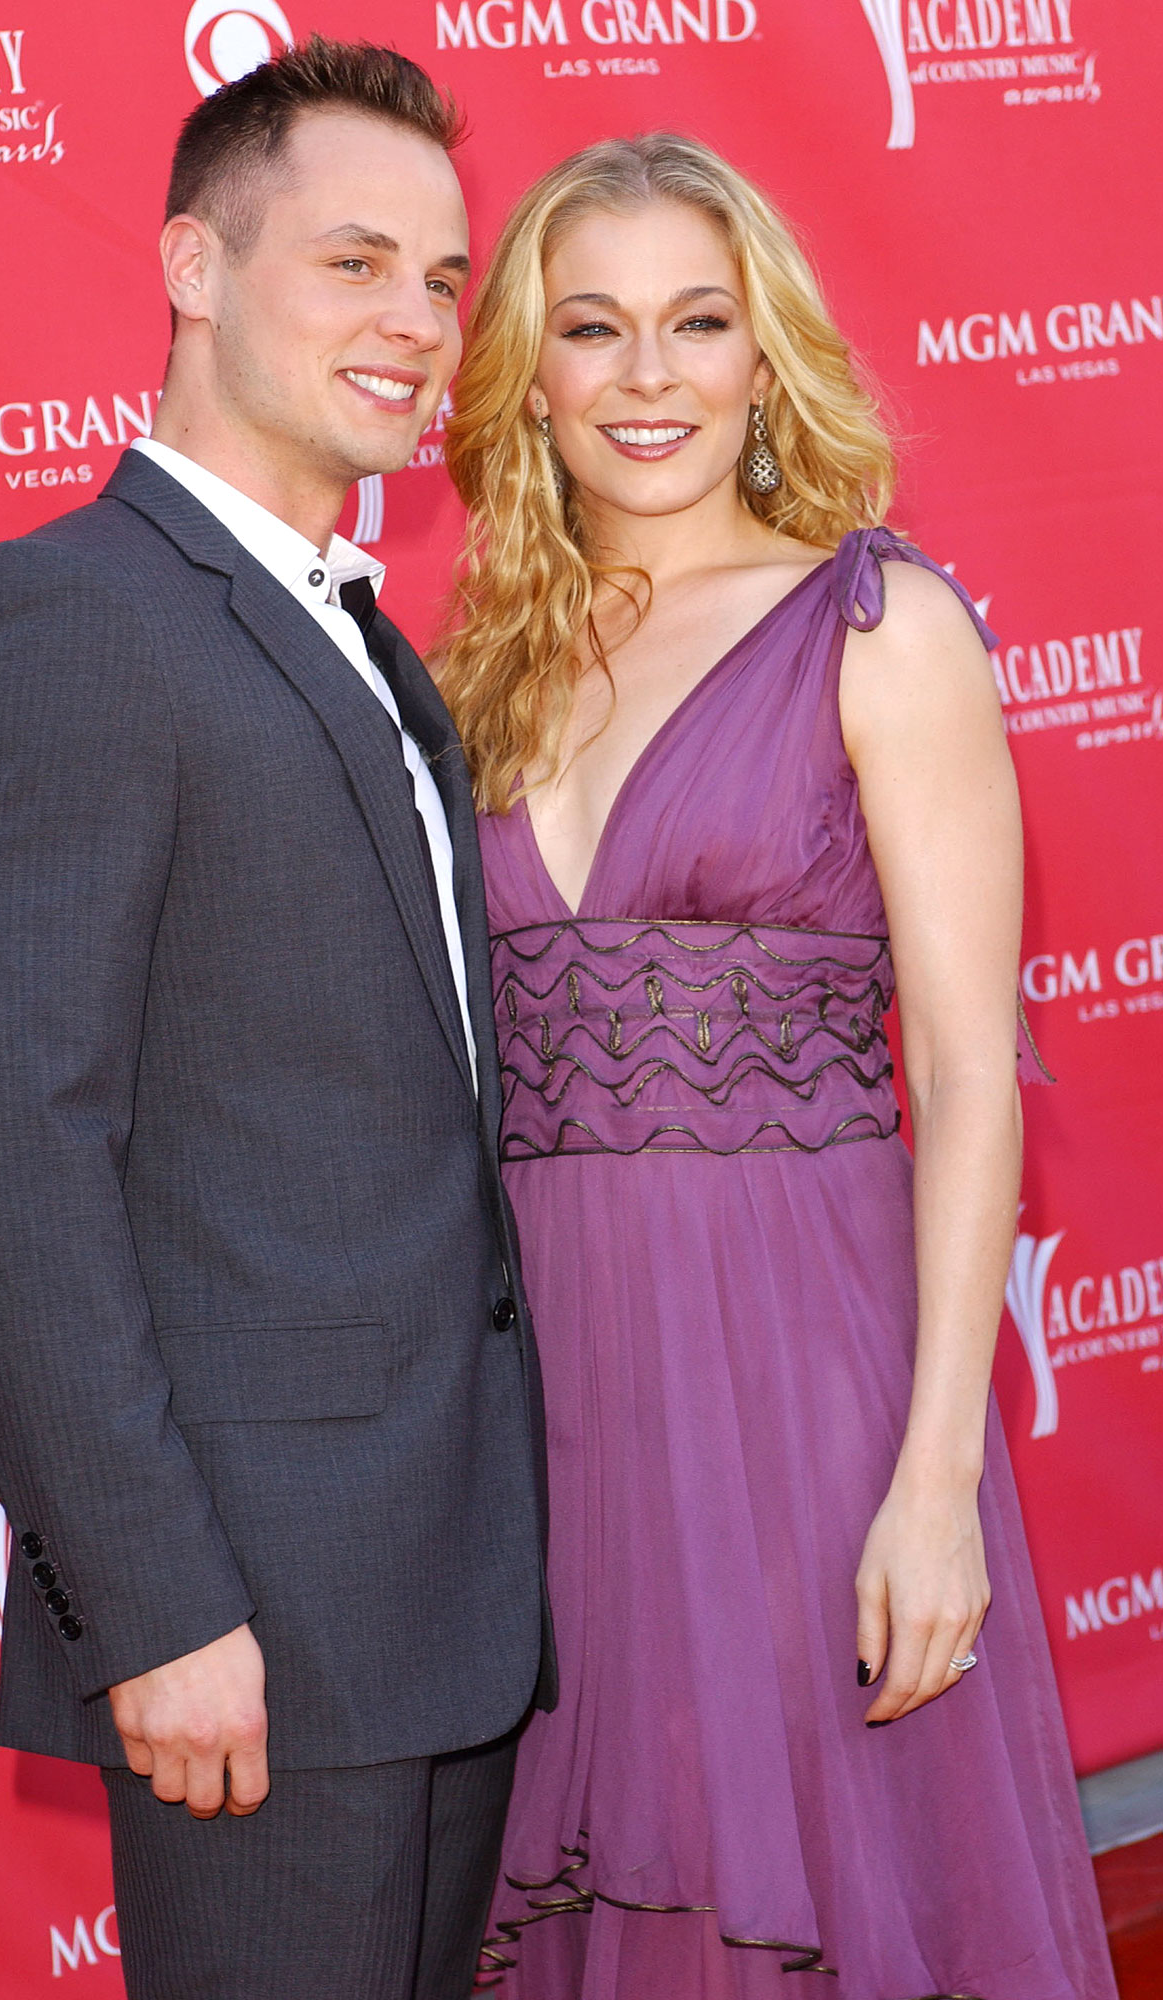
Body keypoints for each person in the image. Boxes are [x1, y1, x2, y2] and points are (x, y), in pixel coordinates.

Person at [0, 40, 552, 2000]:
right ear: (193, 266)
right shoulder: (70, 621)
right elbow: (20, 1161)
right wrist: (157, 1607)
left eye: (440, 280)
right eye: (353, 264)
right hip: (255, 1622)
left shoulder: (356, 635)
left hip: (437, 1589)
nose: (415, 324)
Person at [437, 134, 1115, 1999]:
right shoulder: (474, 673)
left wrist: (935, 1481)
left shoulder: (878, 626)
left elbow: (966, 1076)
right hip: (549, 1402)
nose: (646, 375)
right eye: (593, 327)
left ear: (764, 356)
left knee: (819, 1874)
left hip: (806, 1379)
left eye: (698, 322)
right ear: (529, 374)